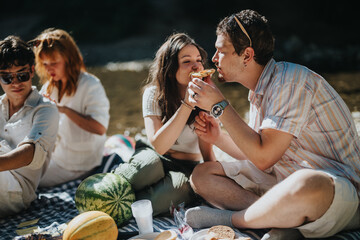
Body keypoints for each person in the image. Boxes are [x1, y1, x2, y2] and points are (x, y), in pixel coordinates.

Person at [184, 9, 360, 240]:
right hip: (286, 180)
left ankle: (233, 219)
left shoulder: (290, 82)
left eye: (221, 51)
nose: (214, 59)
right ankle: (278, 218)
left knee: (306, 180)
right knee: (202, 175)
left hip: (339, 193)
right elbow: (259, 157)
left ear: (246, 55)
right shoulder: (258, 92)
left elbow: (264, 157)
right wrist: (218, 138)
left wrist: (219, 107)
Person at [114, 33, 216, 216]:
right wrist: (187, 104)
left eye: (199, 60)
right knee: (147, 167)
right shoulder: (154, 94)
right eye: (186, 61)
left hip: (186, 168)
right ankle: (108, 191)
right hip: (155, 156)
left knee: (167, 196)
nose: (196, 66)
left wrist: (214, 185)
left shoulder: (206, 99)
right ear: (170, 69)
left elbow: (207, 153)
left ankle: (123, 209)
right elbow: (159, 146)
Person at [31, 28, 110, 187]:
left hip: (81, 162)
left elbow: (100, 128)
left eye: (54, 63)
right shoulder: (49, 88)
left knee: (26, 179)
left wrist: (63, 110)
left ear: (69, 59)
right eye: (45, 64)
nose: (48, 69)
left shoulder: (90, 85)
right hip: (58, 156)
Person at [0, 36, 59, 216]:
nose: (15, 83)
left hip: (18, 192)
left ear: (32, 71)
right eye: (7, 77)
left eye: (22, 75)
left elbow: (29, 153)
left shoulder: (46, 110)